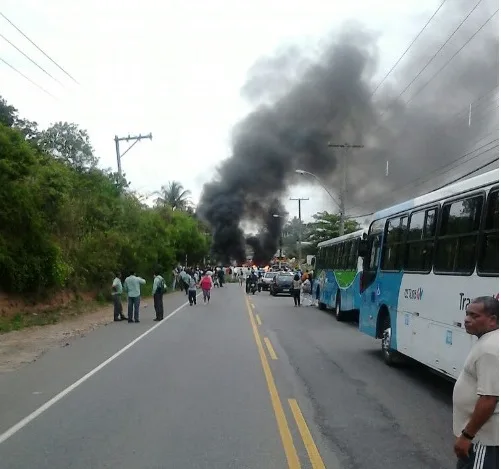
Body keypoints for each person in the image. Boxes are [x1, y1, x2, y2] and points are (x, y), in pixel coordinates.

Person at [453, 296, 499, 469]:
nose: (466, 319)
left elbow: (489, 399)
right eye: (467, 314)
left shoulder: (490, 350)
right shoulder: (489, 341)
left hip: (483, 440)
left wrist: (467, 436)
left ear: (492, 320)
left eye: (474, 316)